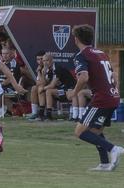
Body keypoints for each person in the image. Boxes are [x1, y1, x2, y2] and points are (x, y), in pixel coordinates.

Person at [67, 24, 123, 171]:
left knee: (80, 132)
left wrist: (74, 92)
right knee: (95, 132)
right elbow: (114, 77)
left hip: (101, 99)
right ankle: (104, 163)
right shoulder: (101, 53)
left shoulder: (82, 55)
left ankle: (113, 149)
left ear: (76, 39)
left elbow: (84, 77)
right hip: (113, 96)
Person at [43, 54, 78, 121]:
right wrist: (43, 74)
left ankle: (48, 115)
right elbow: (45, 83)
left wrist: (42, 89)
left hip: (69, 89)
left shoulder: (57, 68)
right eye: (44, 61)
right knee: (48, 91)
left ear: (52, 60)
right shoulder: (48, 70)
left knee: (48, 91)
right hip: (61, 90)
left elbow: (52, 85)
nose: (45, 63)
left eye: (47, 60)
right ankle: (47, 115)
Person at [28, 50, 46, 120]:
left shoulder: (47, 67)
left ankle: (42, 113)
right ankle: (34, 112)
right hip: (43, 87)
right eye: (38, 59)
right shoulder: (40, 67)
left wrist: (38, 72)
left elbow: (43, 83)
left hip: (52, 87)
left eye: (42, 59)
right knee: (34, 88)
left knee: (39, 87)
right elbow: (38, 82)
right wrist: (39, 71)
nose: (40, 61)